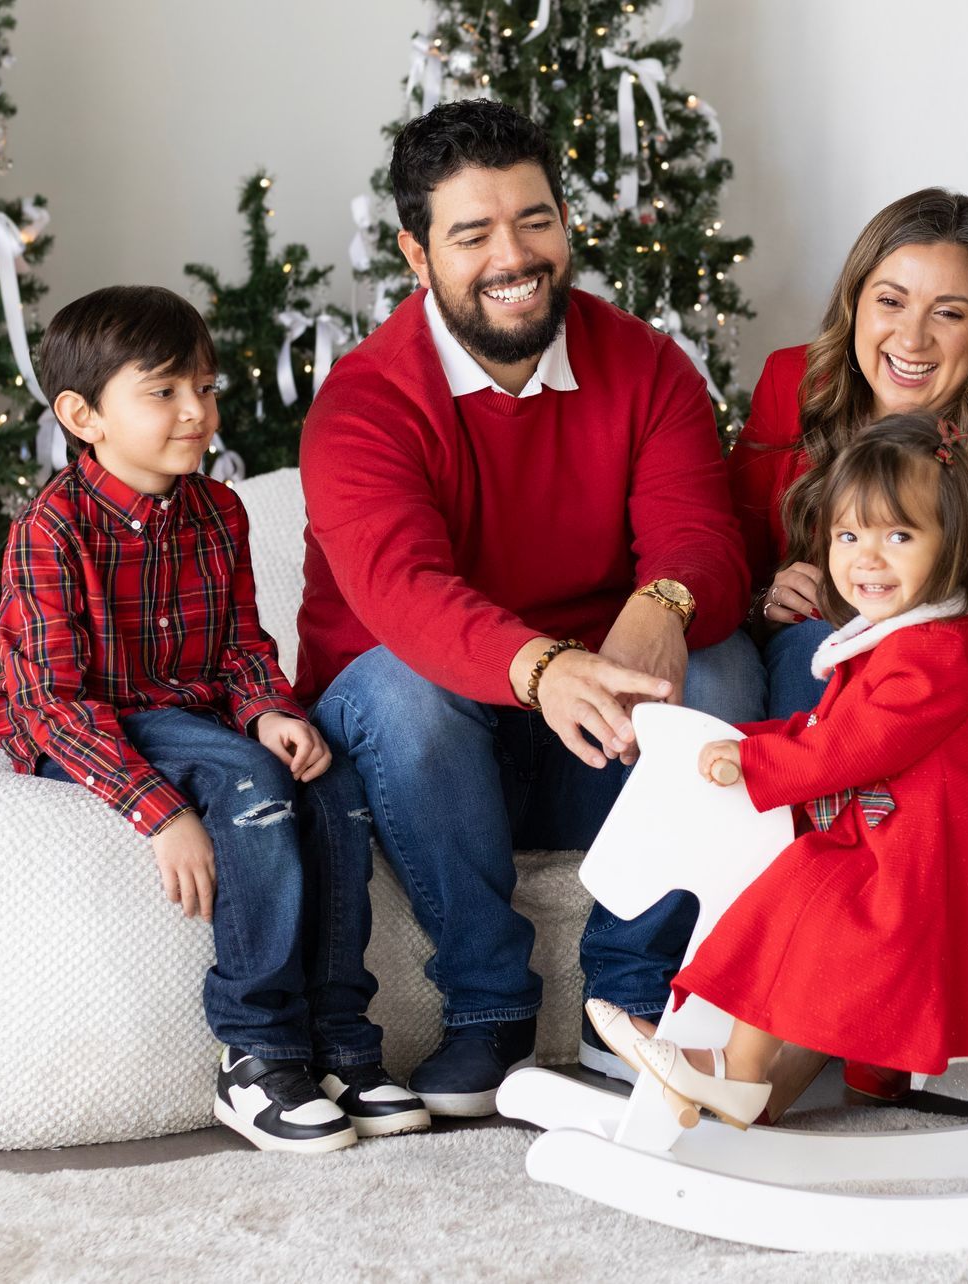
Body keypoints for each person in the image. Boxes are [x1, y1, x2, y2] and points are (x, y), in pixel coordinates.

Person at [297, 99, 761, 1118]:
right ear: (418, 254)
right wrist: (548, 667)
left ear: (564, 222)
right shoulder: (365, 403)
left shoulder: (646, 367)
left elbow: (703, 539)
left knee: (723, 667)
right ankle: (486, 1009)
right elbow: (402, 595)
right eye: (473, 233)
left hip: (598, 747)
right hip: (432, 754)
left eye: (535, 220)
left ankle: (632, 1002)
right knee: (402, 688)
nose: (514, 255)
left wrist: (666, 600)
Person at [587, 414, 968, 1126]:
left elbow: (858, 746)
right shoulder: (902, 637)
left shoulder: (939, 651)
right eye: (850, 537)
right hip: (901, 837)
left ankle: (736, 1072)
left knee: (797, 900)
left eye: (898, 537)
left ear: (954, 548)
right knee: (785, 897)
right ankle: (742, 1076)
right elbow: (828, 728)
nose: (866, 560)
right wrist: (739, 738)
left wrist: (755, 763)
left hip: (947, 865)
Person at [0, 286, 421, 1154]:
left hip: (192, 706)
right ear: (82, 414)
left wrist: (268, 710)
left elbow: (239, 647)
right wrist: (161, 811)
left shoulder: (218, 512)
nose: (196, 412)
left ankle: (342, 1041)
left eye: (206, 389)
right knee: (246, 785)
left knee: (323, 773)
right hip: (94, 718)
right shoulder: (50, 529)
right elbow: (51, 704)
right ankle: (256, 1052)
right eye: (165, 391)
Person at [728, 188, 968, 1104]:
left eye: (950, 311)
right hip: (819, 659)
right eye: (891, 300)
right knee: (794, 649)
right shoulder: (792, 384)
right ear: (855, 301)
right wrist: (767, 586)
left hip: (959, 676)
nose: (914, 336)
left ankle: (867, 1030)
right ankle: (784, 1037)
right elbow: (728, 541)